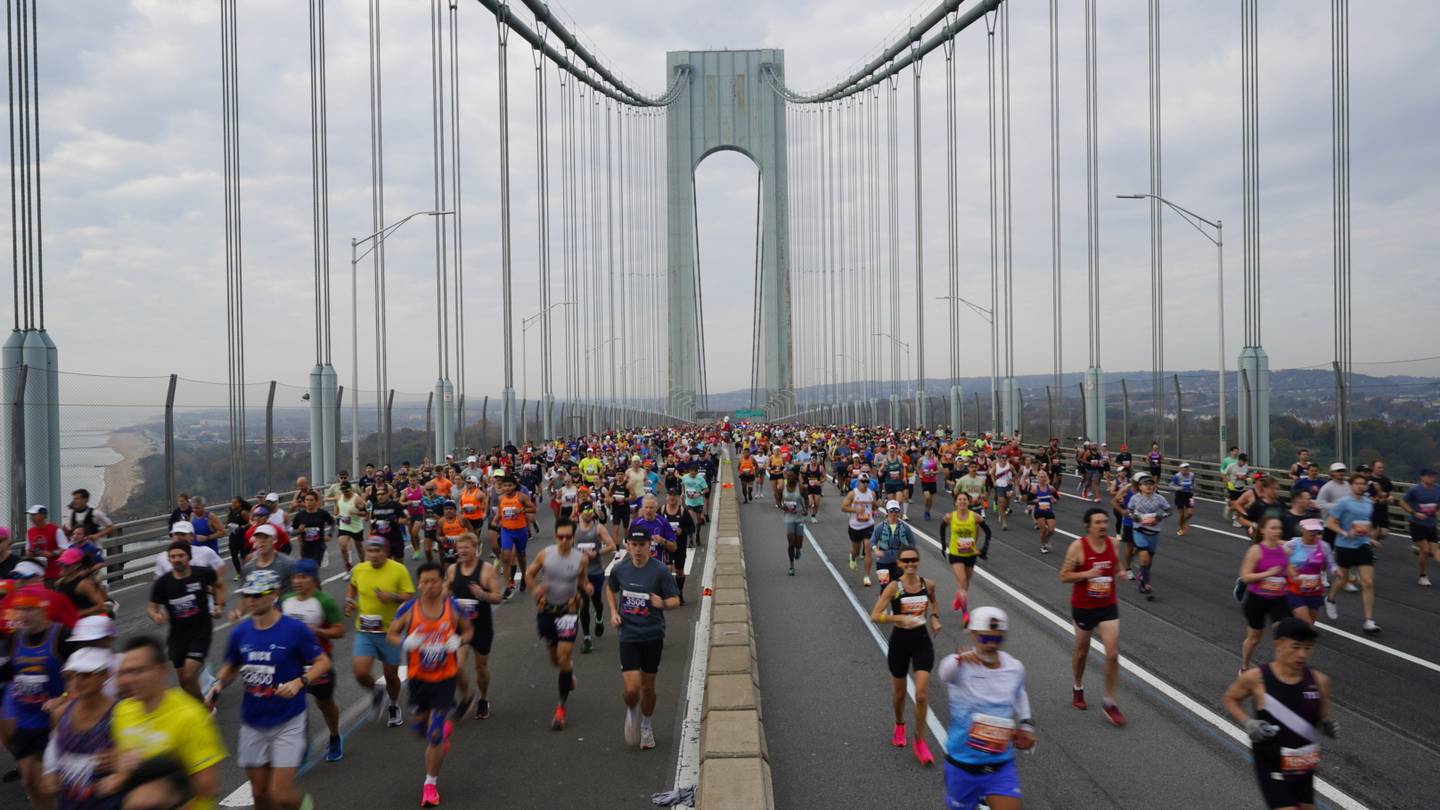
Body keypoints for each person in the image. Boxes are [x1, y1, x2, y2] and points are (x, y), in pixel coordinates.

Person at [206, 569, 329, 810]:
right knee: (260, 795)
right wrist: (218, 685)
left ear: (274, 594)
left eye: (257, 594)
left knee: (281, 795)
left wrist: (299, 682)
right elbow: (231, 666)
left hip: (288, 720)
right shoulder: (240, 633)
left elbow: (323, 662)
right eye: (248, 595)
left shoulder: (294, 629)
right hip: (253, 721)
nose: (251, 600)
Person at [1222, 617, 1336, 810]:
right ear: (1279, 644)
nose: (1302, 654)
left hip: (1304, 762)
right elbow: (1230, 699)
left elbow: (1321, 714)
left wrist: (1326, 723)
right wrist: (1248, 722)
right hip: (1271, 762)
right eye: (1296, 646)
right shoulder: (1257, 678)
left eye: (1308, 648)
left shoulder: (1319, 681)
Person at [386, 562, 472, 808]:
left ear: (442, 582)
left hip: (444, 679)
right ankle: (439, 731)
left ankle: (430, 784)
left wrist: (458, 640)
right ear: (419, 584)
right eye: (424, 582)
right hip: (418, 680)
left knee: (433, 736)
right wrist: (405, 642)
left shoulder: (452, 607)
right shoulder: (408, 609)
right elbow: (391, 634)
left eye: (434, 581)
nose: (429, 586)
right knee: (419, 728)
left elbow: (468, 631)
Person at [936, 606, 1035, 810]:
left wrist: (1026, 724)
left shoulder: (1014, 667)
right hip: (962, 765)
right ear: (972, 634)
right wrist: (958, 658)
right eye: (984, 638)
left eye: (997, 639)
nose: (991, 644)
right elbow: (944, 674)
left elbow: (1019, 693)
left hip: (1000, 765)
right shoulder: (960, 666)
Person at [110, 637, 225, 810]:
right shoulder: (122, 711)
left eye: (138, 671)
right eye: (126, 672)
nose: (130, 679)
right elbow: (122, 762)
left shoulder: (190, 716)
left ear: (160, 671)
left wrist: (163, 789)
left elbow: (210, 786)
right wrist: (121, 772)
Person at [606, 528, 681, 751]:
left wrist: (663, 604)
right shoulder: (621, 569)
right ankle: (631, 712)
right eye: (633, 545)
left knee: (648, 686)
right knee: (631, 689)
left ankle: (646, 725)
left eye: (642, 545)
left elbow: (675, 599)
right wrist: (613, 612)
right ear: (628, 545)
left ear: (650, 546)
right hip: (628, 635)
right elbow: (610, 589)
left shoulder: (659, 572)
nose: (638, 550)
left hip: (652, 635)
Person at [869, 547, 940, 765]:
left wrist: (935, 618)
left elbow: (933, 602)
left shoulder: (928, 584)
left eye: (914, 560)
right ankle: (899, 724)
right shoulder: (894, 587)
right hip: (900, 643)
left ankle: (920, 740)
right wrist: (899, 618)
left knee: (921, 695)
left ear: (918, 561)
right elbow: (875, 615)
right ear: (899, 563)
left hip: (921, 643)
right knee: (899, 694)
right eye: (906, 561)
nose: (910, 564)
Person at [3, 587, 69, 808]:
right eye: (19, 610)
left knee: (44, 783)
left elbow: (82, 676)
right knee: (29, 781)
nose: (22, 615)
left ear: (44, 610)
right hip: (25, 720)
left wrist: (64, 697)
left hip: (51, 723)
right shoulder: (14, 639)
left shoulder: (62, 636)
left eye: (29, 609)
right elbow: (8, 672)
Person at [1060, 508, 1126, 726]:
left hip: (1107, 605)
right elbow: (1064, 576)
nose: (1103, 525)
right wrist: (1086, 574)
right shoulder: (1078, 547)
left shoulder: (1113, 544)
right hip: (1084, 606)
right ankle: (1078, 686)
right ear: (1087, 526)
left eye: (1105, 522)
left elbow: (1116, 565)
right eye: (1097, 522)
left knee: (1113, 653)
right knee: (1082, 650)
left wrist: (1121, 572)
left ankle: (1110, 702)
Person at [525, 521, 590, 730]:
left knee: (564, 656)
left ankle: (561, 708)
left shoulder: (580, 559)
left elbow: (583, 581)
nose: (564, 540)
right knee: (556, 660)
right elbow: (529, 574)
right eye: (560, 537)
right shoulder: (545, 555)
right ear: (555, 537)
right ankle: (568, 672)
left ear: (573, 538)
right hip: (547, 612)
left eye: (567, 537)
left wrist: (586, 590)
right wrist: (536, 592)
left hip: (568, 613)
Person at [279, 559, 346, 762]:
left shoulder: (324, 601)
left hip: (318, 662)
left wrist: (316, 631)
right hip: (292, 662)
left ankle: (334, 735)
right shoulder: (285, 600)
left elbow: (340, 630)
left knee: (324, 703)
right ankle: (300, 743)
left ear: (314, 579)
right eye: (294, 577)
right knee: (294, 702)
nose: (297, 581)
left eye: (303, 577)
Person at [345, 537, 414, 728]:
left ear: (386, 552)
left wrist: (391, 596)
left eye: (378, 551)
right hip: (365, 630)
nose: (374, 555)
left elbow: (409, 596)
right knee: (360, 672)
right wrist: (349, 600)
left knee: (391, 674)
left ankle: (393, 704)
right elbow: (352, 584)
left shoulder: (398, 569)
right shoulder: (360, 569)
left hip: (390, 631)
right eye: (370, 551)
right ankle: (376, 692)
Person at [40, 646, 120, 810]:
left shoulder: (119, 714)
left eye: (86, 674)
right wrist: (49, 771)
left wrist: (120, 759)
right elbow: (55, 743)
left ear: (105, 675)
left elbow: (137, 754)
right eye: (73, 675)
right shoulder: (61, 713)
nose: (77, 681)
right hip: (70, 803)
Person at [147, 541, 226, 700]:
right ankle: (199, 702)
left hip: (200, 631)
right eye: (173, 556)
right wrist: (156, 615)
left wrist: (219, 605)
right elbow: (151, 607)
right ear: (169, 560)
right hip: (177, 636)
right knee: (184, 681)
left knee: (190, 675)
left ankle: (203, 707)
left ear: (188, 557)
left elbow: (220, 586)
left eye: (181, 555)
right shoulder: (163, 583)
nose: (177, 559)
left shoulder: (203, 573)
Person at [446, 533, 502, 719]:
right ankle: (467, 696)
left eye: (466, 548)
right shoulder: (453, 570)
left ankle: (483, 698)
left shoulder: (486, 570)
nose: (461, 551)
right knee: (455, 667)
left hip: (481, 626)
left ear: (475, 549)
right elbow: (446, 592)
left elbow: (497, 596)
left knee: (481, 667)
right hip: (460, 628)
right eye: (459, 548)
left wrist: (481, 594)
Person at [1323, 474, 1380, 634]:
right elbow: (1330, 522)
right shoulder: (1344, 503)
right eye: (1357, 484)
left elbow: (1369, 525)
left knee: (1367, 582)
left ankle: (1369, 621)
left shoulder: (1369, 503)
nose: (1361, 486)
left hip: (1362, 546)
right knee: (1343, 579)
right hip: (1344, 545)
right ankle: (1331, 599)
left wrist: (1370, 538)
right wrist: (1343, 532)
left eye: (1363, 484)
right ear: (1351, 485)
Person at [1238, 516, 1295, 672]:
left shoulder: (1284, 550)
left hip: (1279, 599)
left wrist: (1301, 577)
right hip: (1257, 599)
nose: (1277, 531)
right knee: (1254, 638)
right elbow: (1245, 576)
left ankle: (1279, 670)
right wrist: (1266, 574)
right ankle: (1244, 666)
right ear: (1263, 530)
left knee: (1282, 635)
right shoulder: (1256, 551)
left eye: (1279, 528)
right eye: (1273, 528)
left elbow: (1290, 572)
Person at [942, 493, 992, 623]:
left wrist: (983, 549)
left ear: (968, 502)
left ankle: (959, 597)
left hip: (970, 554)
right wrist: (943, 545)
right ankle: (965, 614)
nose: (962, 501)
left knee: (965, 584)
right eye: (960, 499)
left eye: (965, 499)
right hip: (955, 554)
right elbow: (942, 528)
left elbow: (988, 532)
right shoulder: (950, 517)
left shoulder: (975, 517)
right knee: (962, 579)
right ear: (956, 503)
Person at [573, 504, 616, 654]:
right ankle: (587, 638)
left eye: (591, 511)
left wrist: (596, 553)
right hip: (580, 573)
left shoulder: (598, 528)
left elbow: (611, 546)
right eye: (586, 511)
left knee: (597, 601)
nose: (589, 514)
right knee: (583, 604)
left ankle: (599, 616)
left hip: (596, 571)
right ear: (580, 513)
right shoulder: (575, 529)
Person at [1125, 474, 1172, 600]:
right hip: (1139, 530)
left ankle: (1142, 576)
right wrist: (1133, 516)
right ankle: (1145, 584)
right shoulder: (1135, 498)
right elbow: (1129, 510)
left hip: (1154, 532)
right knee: (1144, 557)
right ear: (1140, 487)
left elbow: (1169, 511)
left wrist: (1160, 517)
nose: (1149, 487)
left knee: (1148, 561)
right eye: (1146, 484)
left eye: (1151, 484)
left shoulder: (1159, 498)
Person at [494, 473, 537, 600]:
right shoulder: (501, 498)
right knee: (506, 557)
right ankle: (507, 586)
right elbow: (500, 512)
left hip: (520, 530)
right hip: (506, 530)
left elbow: (533, 509)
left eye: (509, 485)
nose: (507, 488)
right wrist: (496, 519)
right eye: (504, 485)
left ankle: (524, 575)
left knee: (521, 555)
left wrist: (522, 510)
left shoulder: (521, 497)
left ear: (514, 486)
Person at [1284, 519, 1333, 625]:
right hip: (1295, 591)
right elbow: (1280, 562)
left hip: (1314, 591)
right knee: (1307, 625)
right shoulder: (1292, 545)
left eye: (1316, 530)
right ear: (1302, 530)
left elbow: (1329, 564)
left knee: (1310, 622)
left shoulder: (1323, 546)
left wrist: (1334, 568)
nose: (1314, 533)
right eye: (1311, 530)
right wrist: (1290, 569)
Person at [1398, 467, 1440, 586]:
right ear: (1422, 477)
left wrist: (1436, 509)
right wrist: (1414, 513)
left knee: (1435, 552)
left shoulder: (1438, 489)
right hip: (1417, 524)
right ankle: (1422, 576)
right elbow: (1402, 502)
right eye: (1429, 476)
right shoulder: (1414, 490)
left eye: (1433, 476)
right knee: (1426, 550)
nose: (1432, 478)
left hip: (1431, 524)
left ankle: (1419, 551)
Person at [867, 500, 916, 589]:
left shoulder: (905, 527)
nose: (894, 513)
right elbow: (872, 541)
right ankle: (882, 601)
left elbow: (912, 543)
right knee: (884, 587)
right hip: (882, 562)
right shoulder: (880, 527)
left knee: (899, 588)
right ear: (887, 512)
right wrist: (876, 550)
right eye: (891, 510)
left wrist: (907, 555)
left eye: (896, 510)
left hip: (899, 562)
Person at [151, 522, 226, 580]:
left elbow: (220, 566)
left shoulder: (205, 551)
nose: (179, 537)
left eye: (182, 534)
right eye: (176, 534)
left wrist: (213, 586)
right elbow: (158, 580)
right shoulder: (162, 557)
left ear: (192, 536)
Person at [240, 525, 296, 600]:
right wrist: (239, 611)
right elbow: (245, 596)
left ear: (274, 539)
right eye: (259, 537)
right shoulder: (248, 568)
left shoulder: (288, 564)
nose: (262, 541)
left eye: (266, 537)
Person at [54, 547, 108, 619]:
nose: (61, 567)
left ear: (77, 566)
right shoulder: (59, 583)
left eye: (66, 565)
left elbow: (102, 607)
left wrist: (81, 612)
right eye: (60, 563)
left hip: (88, 625)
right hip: (71, 624)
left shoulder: (84, 584)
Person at [841, 472, 878, 577]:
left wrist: (876, 506)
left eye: (867, 482)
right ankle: (852, 557)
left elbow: (875, 506)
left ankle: (866, 576)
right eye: (863, 481)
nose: (865, 484)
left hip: (868, 525)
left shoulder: (872, 493)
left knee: (868, 548)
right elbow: (843, 507)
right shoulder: (853, 494)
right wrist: (855, 510)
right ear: (858, 482)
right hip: (855, 526)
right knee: (856, 551)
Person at [288, 491, 335, 565]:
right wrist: (298, 531)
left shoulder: (322, 513)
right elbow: (291, 532)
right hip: (305, 548)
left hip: (318, 547)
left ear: (316, 502)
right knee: (307, 571)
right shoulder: (300, 515)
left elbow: (332, 523)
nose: (308, 502)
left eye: (311, 500)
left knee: (314, 567)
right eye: (307, 500)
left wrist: (330, 534)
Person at [778, 467, 806, 576]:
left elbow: (806, 499)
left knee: (798, 543)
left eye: (791, 476)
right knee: (791, 543)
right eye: (787, 476)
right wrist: (781, 506)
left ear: (795, 476)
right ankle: (791, 566)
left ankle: (798, 549)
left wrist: (805, 510)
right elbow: (777, 497)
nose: (789, 477)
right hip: (789, 517)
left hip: (799, 517)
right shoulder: (782, 487)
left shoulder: (801, 487)